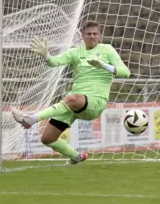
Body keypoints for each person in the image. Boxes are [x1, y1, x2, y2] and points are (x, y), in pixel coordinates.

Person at [11, 20, 130, 164]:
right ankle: (77, 156)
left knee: (72, 98)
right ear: (82, 36)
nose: (92, 36)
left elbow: (126, 72)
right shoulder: (75, 52)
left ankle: (31, 119)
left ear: (100, 36)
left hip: (95, 103)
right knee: (47, 139)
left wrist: (104, 66)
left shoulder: (107, 50)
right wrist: (46, 56)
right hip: (74, 102)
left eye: (95, 34)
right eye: (88, 34)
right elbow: (55, 62)